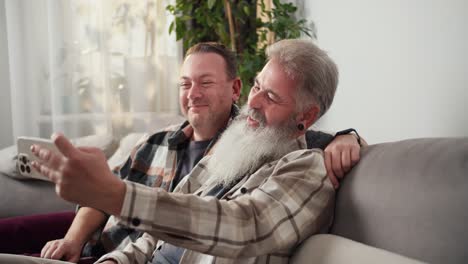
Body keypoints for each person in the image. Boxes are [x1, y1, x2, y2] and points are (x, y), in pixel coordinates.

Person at [0, 41, 360, 264]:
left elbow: (242, 225)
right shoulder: (232, 151)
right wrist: (115, 262)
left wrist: (117, 195)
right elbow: (158, 234)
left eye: (271, 96)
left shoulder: (306, 168)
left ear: (307, 116)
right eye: (256, 86)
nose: (252, 102)